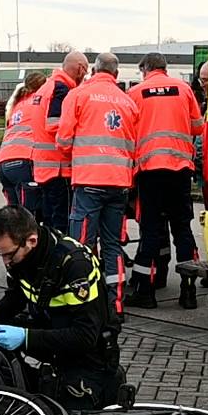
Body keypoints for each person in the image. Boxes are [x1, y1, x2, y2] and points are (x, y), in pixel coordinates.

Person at [0, 206, 123, 409]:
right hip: (51, 332)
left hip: (86, 349)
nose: (5, 261)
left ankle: (38, 392)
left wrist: (26, 337)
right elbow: (16, 296)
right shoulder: (20, 258)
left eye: (9, 254)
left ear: (31, 241)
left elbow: (85, 336)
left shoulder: (73, 264)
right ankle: (20, 392)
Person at [57, 51, 138, 315]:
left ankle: (84, 305)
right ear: (115, 74)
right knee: (113, 245)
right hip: (119, 183)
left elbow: (63, 141)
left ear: (94, 70)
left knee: (81, 244)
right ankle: (115, 305)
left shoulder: (78, 95)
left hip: (89, 181)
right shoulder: (128, 102)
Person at [125, 53, 205, 309]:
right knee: (182, 229)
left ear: (145, 69)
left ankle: (144, 292)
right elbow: (197, 127)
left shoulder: (136, 93)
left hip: (149, 171)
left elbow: (127, 132)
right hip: (180, 169)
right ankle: (188, 291)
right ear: (165, 68)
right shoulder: (183, 89)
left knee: (150, 230)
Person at [25, 51, 87, 237]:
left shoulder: (46, 87)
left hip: (44, 167)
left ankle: (50, 259)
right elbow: (54, 124)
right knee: (63, 223)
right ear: (80, 69)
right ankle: (62, 262)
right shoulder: (62, 89)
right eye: (86, 70)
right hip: (59, 167)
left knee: (50, 221)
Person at [0, 70, 47, 210]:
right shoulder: (39, 102)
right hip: (23, 159)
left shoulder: (18, 103)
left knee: (14, 213)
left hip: (3, 162)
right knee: (28, 214)